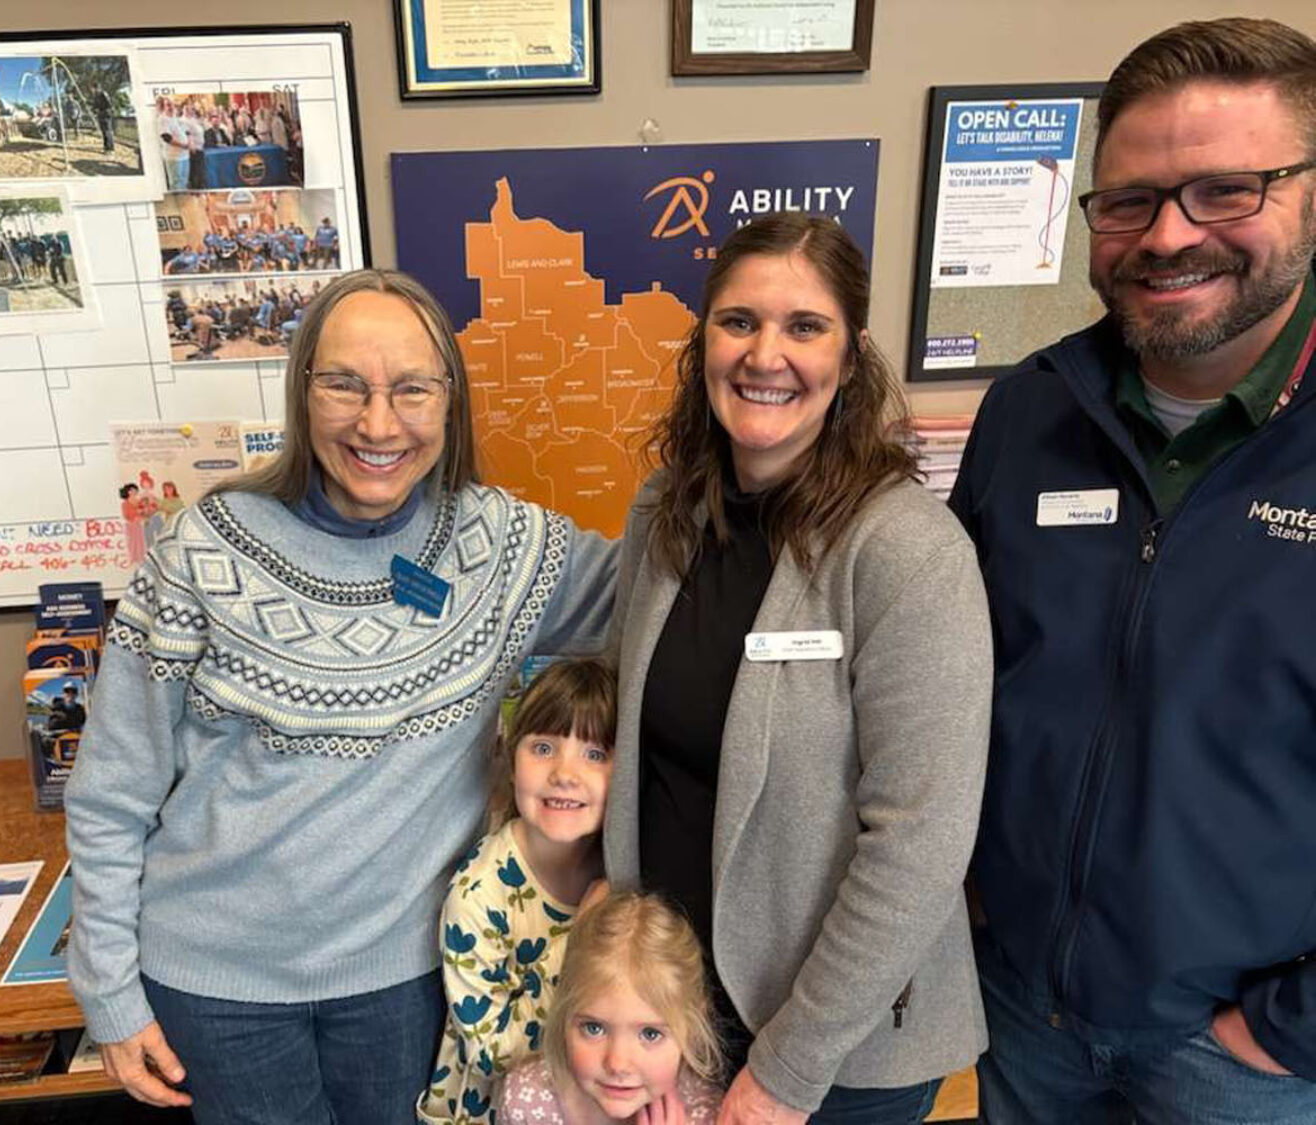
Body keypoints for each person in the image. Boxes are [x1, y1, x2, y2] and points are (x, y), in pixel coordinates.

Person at [65, 268, 617, 1125]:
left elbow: (668, 591)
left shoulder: (502, 547)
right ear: (302, 392)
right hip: (218, 988)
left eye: (412, 389)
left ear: (451, 402)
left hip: (406, 980)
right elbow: (111, 791)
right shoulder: (198, 550)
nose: (378, 423)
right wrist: (108, 991)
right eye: (344, 385)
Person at [949, 17, 1316, 1124]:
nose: (1167, 235)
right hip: (1023, 1012)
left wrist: (1287, 1029)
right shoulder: (1028, 414)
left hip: (1243, 1057)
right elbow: (956, 682)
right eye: (1129, 201)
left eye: (1225, 191)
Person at [604, 214, 992, 1124]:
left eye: (804, 326)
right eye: (738, 321)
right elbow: (634, 738)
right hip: (676, 1008)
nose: (764, 354)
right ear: (703, 341)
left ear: (849, 358)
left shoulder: (906, 550)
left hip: (838, 1046)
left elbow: (920, 842)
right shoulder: (666, 510)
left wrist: (788, 1067)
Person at [418, 657, 617, 1125]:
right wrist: (580, 938)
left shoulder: (621, 866)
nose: (565, 773)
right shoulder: (478, 895)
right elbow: (491, 1053)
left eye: (594, 754)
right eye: (544, 747)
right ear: (512, 761)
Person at [498, 891, 723, 1124]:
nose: (618, 1064)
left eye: (650, 1034)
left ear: (692, 1029)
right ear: (564, 1014)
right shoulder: (526, 1099)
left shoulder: (709, 1115)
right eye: (594, 1028)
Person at [92, 88, 114, 153]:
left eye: (92, 89)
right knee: (104, 132)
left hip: (106, 114)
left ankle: (110, 149)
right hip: (101, 115)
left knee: (107, 131)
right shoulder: (96, 96)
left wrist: (105, 111)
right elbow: (95, 106)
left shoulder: (103, 94)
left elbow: (109, 104)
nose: (91, 90)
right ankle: (106, 147)